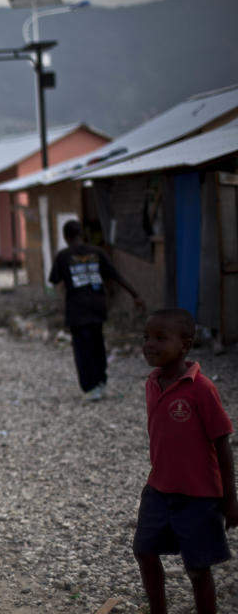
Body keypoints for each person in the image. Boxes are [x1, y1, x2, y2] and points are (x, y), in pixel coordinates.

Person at [134, 308, 236, 614]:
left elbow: (223, 444)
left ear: (185, 345)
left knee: (197, 567)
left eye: (160, 338)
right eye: (146, 337)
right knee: (144, 551)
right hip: (158, 489)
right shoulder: (153, 383)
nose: (150, 344)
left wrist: (230, 500)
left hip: (199, 497)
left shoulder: (202, 389)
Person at [48, 219, 144, 401]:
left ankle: (90, 386)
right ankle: (101, 381)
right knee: (97, 343)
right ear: (81, 234)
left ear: (66, 236)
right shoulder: (97, 252)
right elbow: (116, 276)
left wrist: (60, 305)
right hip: (97, 306)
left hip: (77, 309)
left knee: (82, 348)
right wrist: (136, 295)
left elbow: (54, 282)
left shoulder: (63, 256)